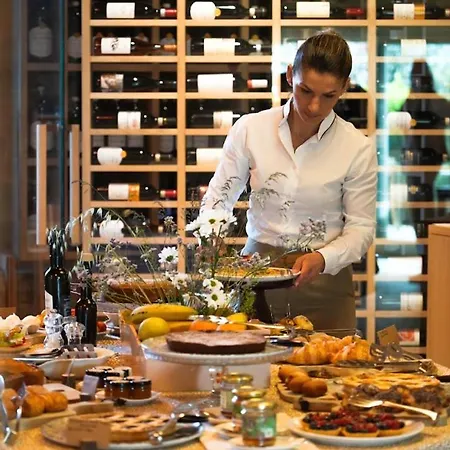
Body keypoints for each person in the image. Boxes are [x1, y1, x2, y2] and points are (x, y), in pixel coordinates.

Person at [201, 31, 377, 330]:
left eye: (329, 96)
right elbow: (219, 196)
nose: (314, 106)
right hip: (255, 280)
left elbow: (361, 228)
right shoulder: (250, 129)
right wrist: (212, 237)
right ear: (289, 75)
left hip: (325, 285)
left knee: (331, 360)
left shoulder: (357, 147)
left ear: (345, 88)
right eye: (305, 91)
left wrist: (323, 258)